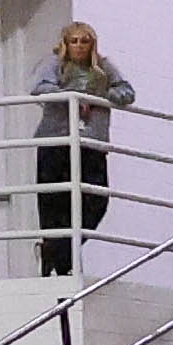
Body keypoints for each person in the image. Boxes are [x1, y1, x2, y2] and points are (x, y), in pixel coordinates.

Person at [27, 18, 134, 278]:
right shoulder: (55, 64)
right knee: (56, 204)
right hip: (57, 140)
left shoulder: (103, 67)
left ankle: (57, 252)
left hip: (91, 142)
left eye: (84, 41)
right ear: (65, 43)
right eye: (74, 41)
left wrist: (100, 96)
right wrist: (73, 96)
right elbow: (39, 88)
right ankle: (60, 263)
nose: (79, 46)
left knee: (95, 201)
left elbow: (127, 92)